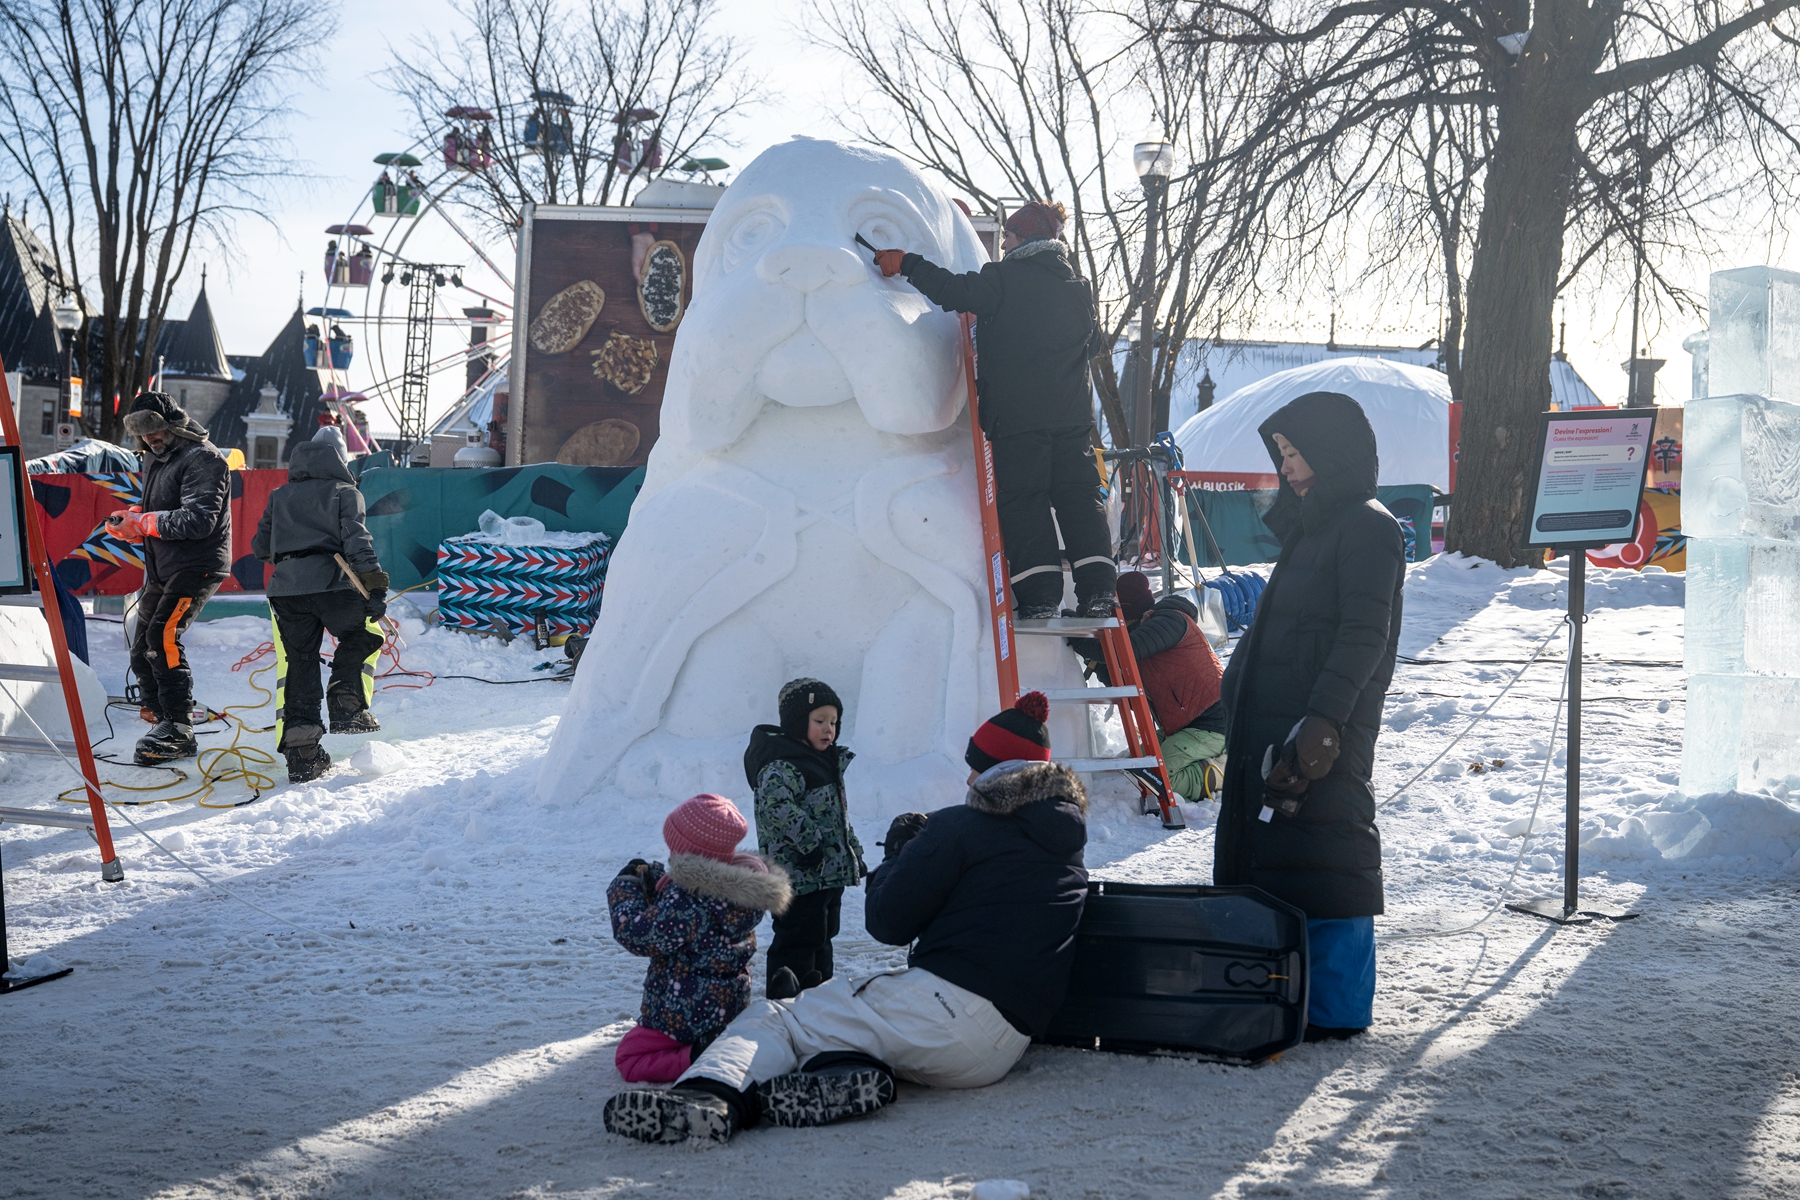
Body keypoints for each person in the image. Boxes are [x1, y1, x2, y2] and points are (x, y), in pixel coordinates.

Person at [603, 691, 1088, 1145]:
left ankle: (707, 1096)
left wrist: (899, 854)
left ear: (997, 774)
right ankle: (845, 1073)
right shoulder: (1067, 844)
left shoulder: (961, 826)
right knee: (845, 1025)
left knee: (777, 1017)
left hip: (942, 1010)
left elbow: (887, 922)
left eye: (975, 767)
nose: (967, 780)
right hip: (1001, 1047)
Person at [1213, 391, 1405, 1043]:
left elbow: (1363, 634)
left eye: (1297, 453)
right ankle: (1282, 988)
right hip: (1276, 721)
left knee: (1329, 846)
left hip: (1326, 727)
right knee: (1281, 851)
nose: (1287, 467)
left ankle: (1336, 1005)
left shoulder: (1369, 527)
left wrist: (1324, 721)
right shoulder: (1313, 528)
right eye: (1283, 454)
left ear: (1332, 451)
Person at [873, 202, 1117, 619]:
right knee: (1080, 499)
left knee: (1025, 502)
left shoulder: (1004, 279)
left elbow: (953, 292)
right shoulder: (1078, 288)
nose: (1003, 244)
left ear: (1024, 238)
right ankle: (1099, 592)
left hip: (1019, 420)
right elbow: (1093, 345)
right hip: (1072, 420)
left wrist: (906, 263)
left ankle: (1040, 597)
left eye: (1009, 236)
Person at [608, 794, 793, 1084]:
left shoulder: (688, 901)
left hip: (685, 1010)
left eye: (675, 850)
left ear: (691, 854)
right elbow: (683, 915)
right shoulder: (739, 889)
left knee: (629, 1058)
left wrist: (625, 889)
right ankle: (716, 1041)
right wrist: (656, 879)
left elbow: (637, 933)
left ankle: (696, 1055)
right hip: (727, 1007)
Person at [251, 430, 388, 783]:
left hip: (287, 591)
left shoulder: (279, 495)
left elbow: (260, 547)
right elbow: (357, 542)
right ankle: (345, 702)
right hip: (334, 584)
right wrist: (375, 586)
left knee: (301, 662)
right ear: (340, 459)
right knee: (363, 634)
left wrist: (294, 549)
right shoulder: (345, 492)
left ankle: (303, 755)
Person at [109, 392, 231, 767]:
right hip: (165, 565)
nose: (150, 439)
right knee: (141, 644)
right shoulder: (157, 458)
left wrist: (143, 522)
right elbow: (162, 509)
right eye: (143, 434)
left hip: (197, 564)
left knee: (162, 637)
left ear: (174, 424)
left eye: (155, 430)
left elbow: (198, 520)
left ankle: (179, 727)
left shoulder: (204, 458)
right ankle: (161, 714)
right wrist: (132, 519)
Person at [743, 678, 865, 999]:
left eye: (833, 722)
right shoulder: (782, 765)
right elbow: (777, 807)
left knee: (823, 936)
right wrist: (810, 843)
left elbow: (836, 817)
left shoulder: (824, 760)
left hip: (826, 875)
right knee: (797, 939)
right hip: (798, 875)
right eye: (819, 721)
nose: (829, 729)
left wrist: (853, 853)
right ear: (798, 723)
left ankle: (818, 997)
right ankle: (785, 1001)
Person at [1066, 570, 1226, 801]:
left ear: (1127, 609)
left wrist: (1081, 637)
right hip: (1182, 727)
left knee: (1156, 779)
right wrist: (1098, 659)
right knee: (1132, 767)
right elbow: (1130, 693)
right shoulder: (1146, 639)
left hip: (1214, 725)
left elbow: (1125, 651)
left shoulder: (1170, 621)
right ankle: (1200, 763)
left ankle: (1224, 771)